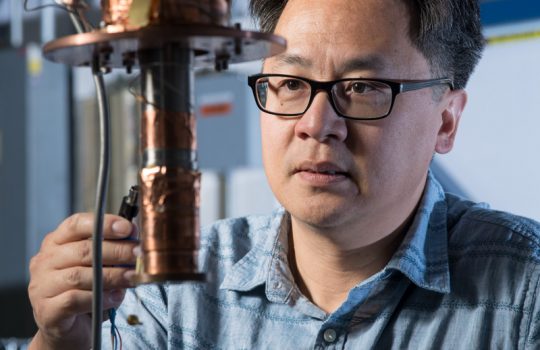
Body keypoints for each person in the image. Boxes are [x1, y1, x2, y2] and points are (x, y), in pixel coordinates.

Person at [28, 0, 540, 349]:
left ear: (445, 121)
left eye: (363, 88)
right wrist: (59, 342)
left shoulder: (527, 295)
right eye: (291, 83)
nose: (317, 125)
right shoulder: (170, 295)